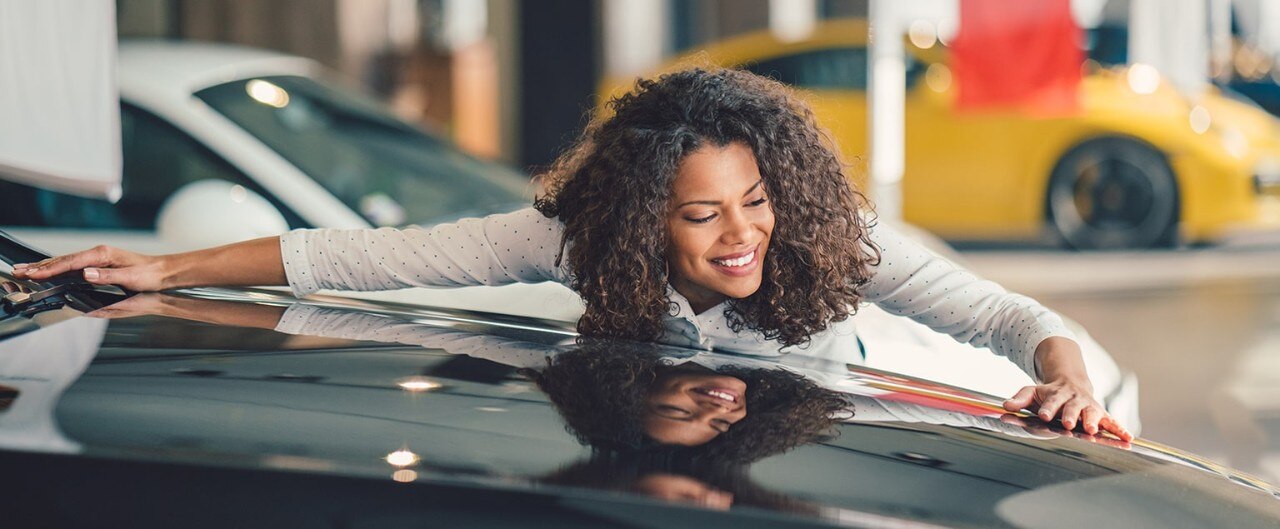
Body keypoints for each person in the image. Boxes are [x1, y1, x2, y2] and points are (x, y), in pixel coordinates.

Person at [12, 66, 1132, 441]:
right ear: (643, 216)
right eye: (702, 216)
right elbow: (366, 260)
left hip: (819, 459)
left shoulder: (827, 242)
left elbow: (1002, 316)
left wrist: (1066, 382)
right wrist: (162, 272)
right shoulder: (571, 238)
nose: (741, 233)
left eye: (753, 201)